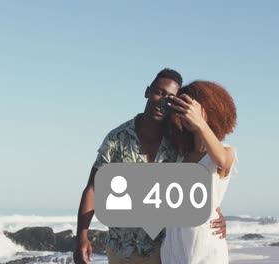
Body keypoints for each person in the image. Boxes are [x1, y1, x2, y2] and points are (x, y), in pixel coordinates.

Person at [74, 69, 227, 264]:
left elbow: (199, 183)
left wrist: (215, 214)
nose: (163, 101)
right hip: (121, 249)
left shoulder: (178, 143)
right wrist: (81, 237)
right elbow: (94, 188)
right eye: (159, 93)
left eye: (171, 98)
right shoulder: (117, 138)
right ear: (147, 92)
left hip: (162, 251)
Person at [160, 81, 238, 264]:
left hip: (204, 250)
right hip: (173, 248)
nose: (187, 112)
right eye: (183, 107)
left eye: (192, 106)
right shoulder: (179, 156)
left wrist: (201, 123)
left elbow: (222, 161)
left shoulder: (226, 151)